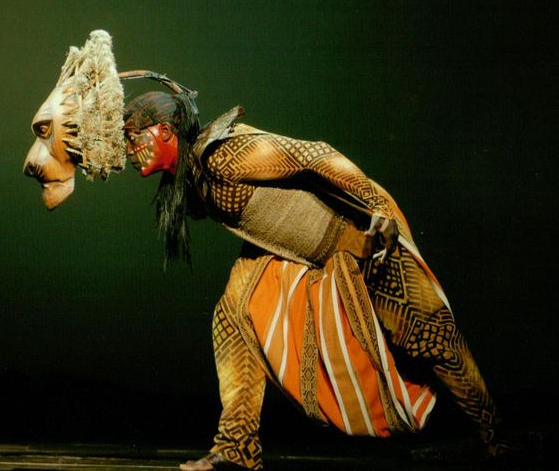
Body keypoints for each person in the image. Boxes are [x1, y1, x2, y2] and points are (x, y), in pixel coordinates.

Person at [121, 81, 504, 470]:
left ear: (165, 131)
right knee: (232, 317)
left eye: (134, 138)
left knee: (429, 337)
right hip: (303, 259)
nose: (129, 151)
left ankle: (494, 439)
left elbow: (316, 155)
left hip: (362, 238)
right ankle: (236, 448)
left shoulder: (225, 155)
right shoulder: (193, 178)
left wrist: (375, 209)